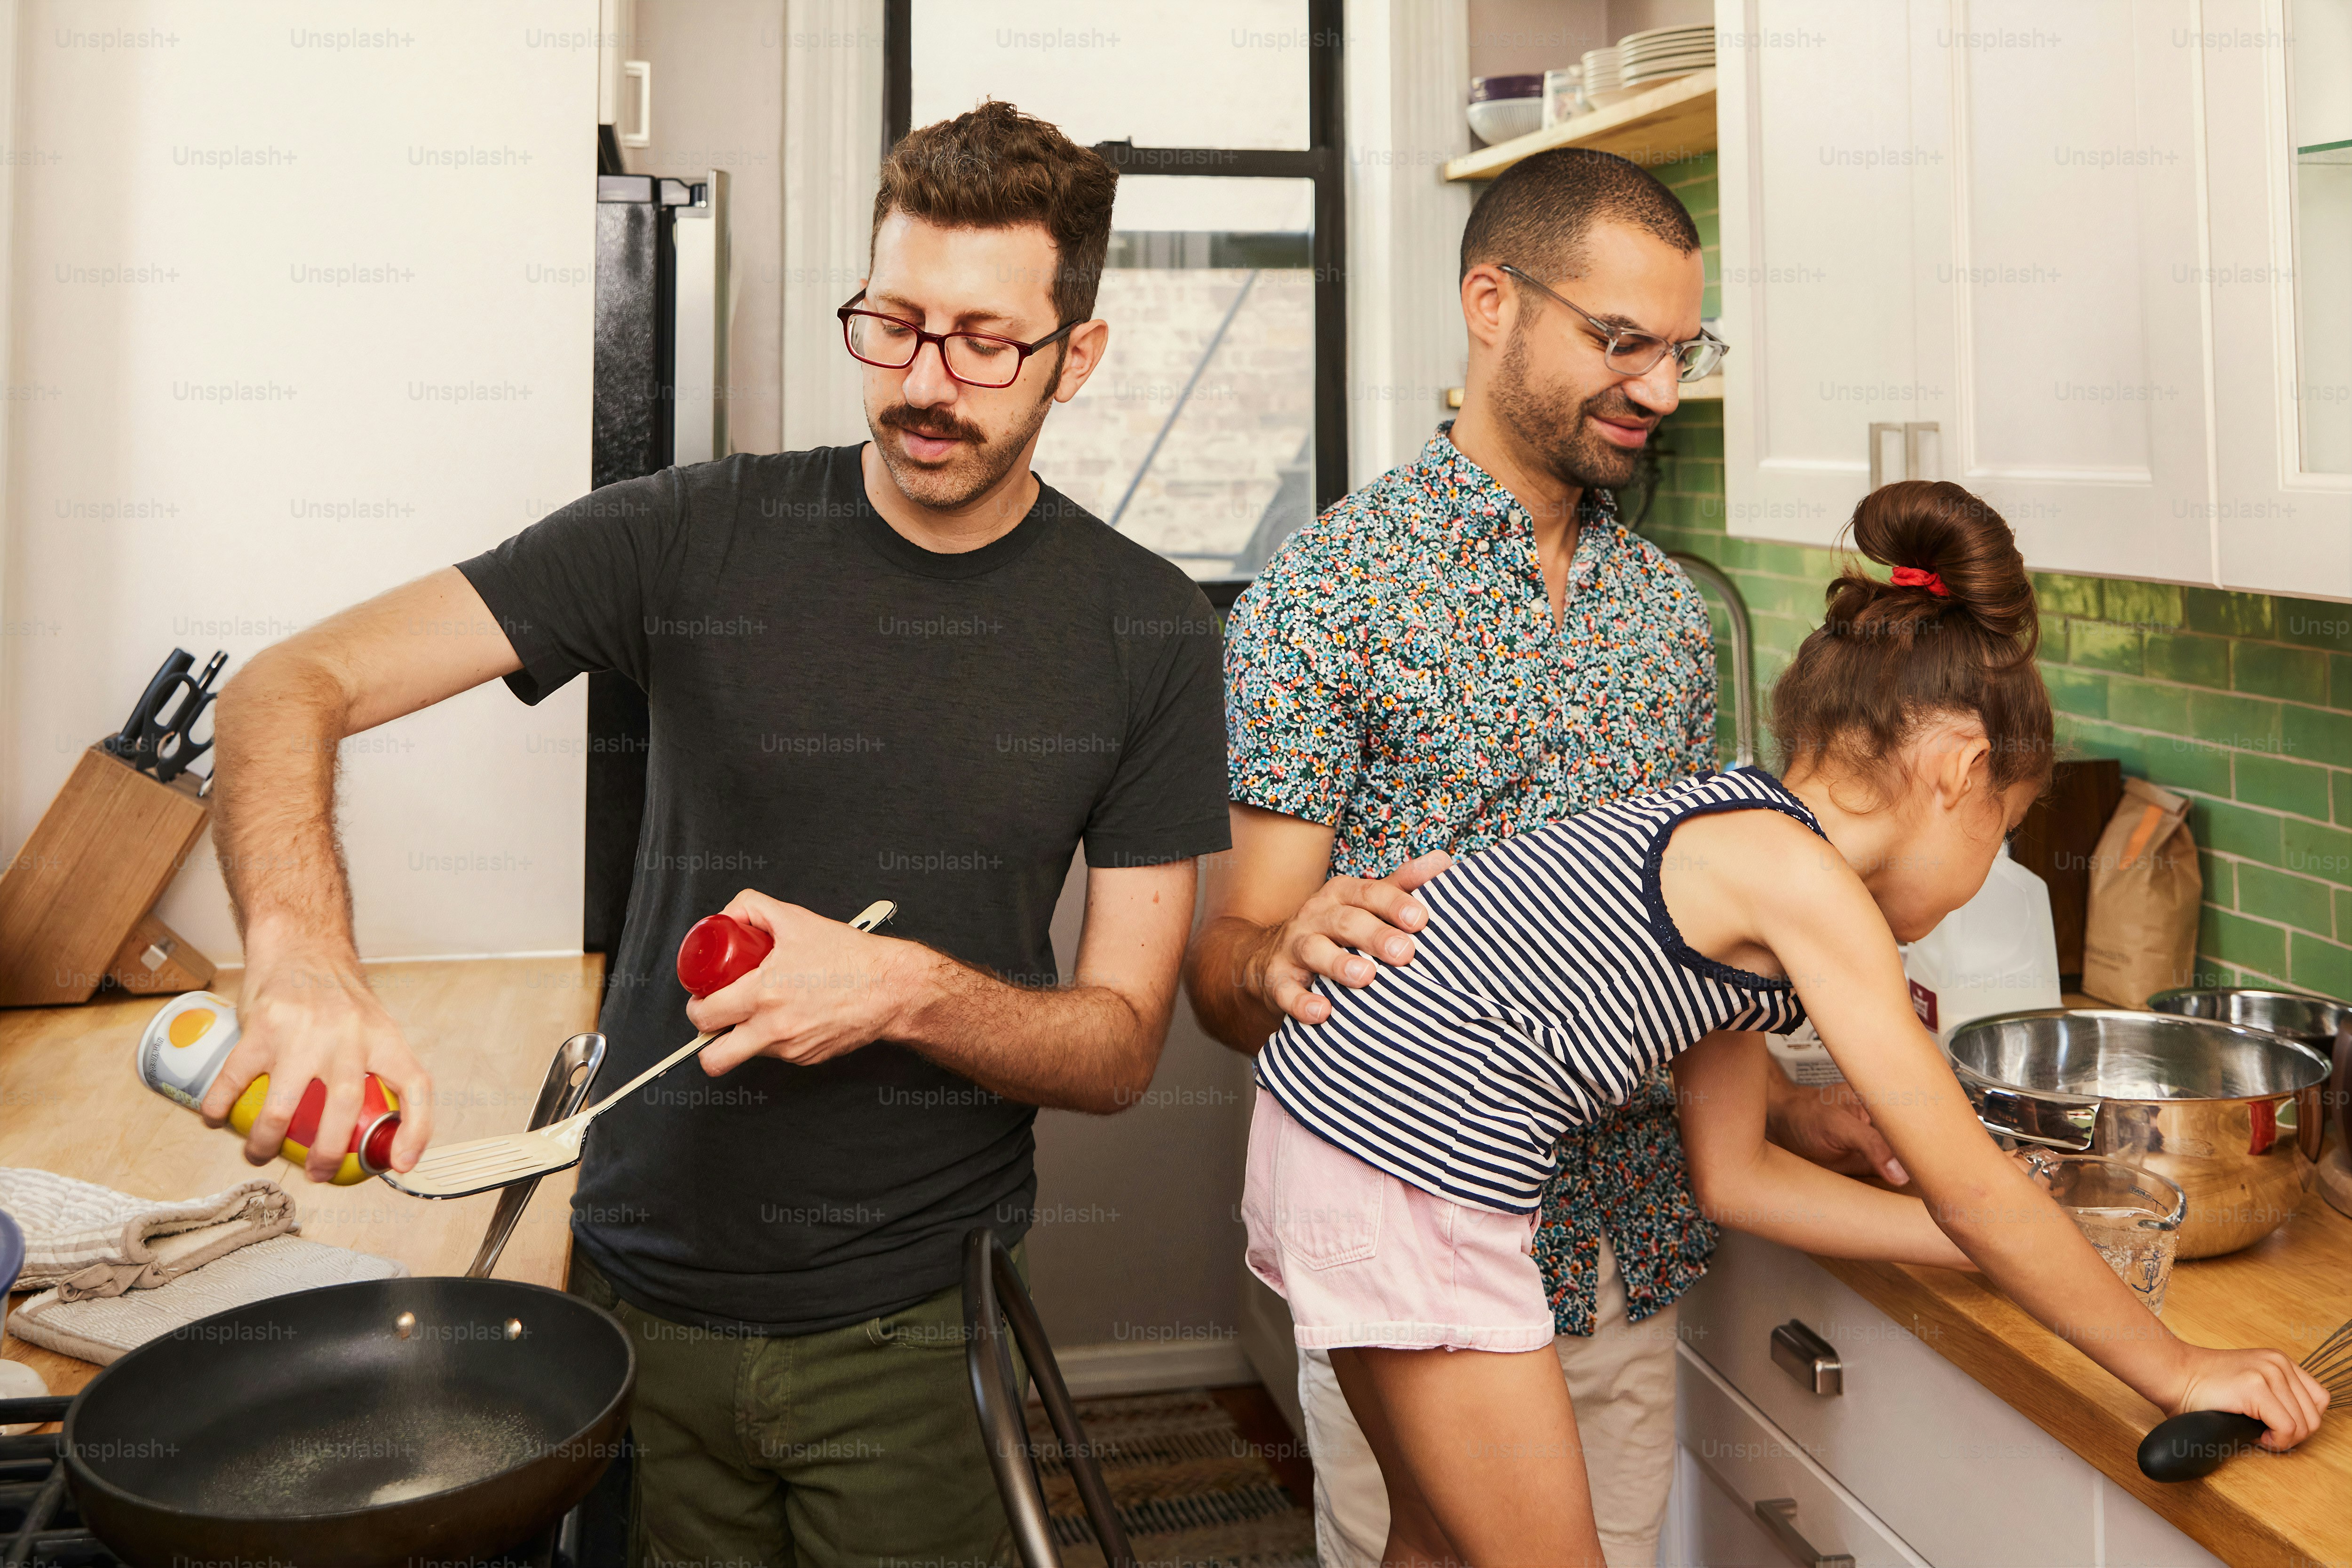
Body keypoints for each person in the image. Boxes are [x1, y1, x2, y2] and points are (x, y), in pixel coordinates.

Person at [203, 102, 1230, 1566]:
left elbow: (1123, 1045)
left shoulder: (1149, 630)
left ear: (1081, 351)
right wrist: (302, 956)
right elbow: (285, 684)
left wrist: (905, 988)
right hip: (637, 1296)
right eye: (893, 324)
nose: (925, 384)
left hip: (913, 1328)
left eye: (986, 343)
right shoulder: (688, 535)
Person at [1242, 481, 2332, 1566]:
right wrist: (2179, 1369)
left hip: (1329, 1125)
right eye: (2001, 829)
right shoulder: (1806, 887)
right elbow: (1969, 1182)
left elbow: (1734, 1175)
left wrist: (2005, 1249)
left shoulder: (1737, 837)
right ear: (1958, 770)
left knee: (1436, 1545)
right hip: (1408, 1164)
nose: (1987, 872)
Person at [1184, 146, 1899, 1566]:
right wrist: (1279, 950)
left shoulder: (1669, 619)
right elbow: (1223, 973)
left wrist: (1788, 1115)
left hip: (1619, 1256)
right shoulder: (1327, 595)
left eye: (1681, 350)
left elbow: (1686, 953)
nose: (1657, 390)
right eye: (1618, 341)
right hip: (1414, 1278)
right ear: (1491, 301)